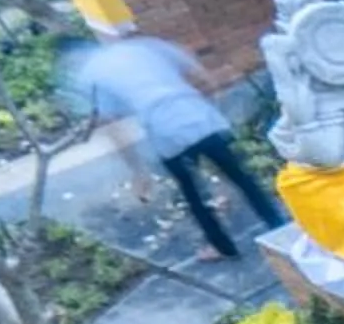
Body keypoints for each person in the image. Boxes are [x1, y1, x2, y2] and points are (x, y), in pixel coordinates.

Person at [61, 32, 287, 261]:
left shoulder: (90, 76)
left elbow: (112, 128)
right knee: (242, 177)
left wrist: (138, 171)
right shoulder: (145, 46)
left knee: (193, 193)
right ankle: (278, 225)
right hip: (199, 116)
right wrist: (209, 106)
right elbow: (203, 79)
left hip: (165, 130)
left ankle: (223, 246)